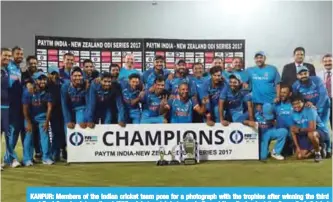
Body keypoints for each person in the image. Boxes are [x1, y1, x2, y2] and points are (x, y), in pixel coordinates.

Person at [292, 65, 331, 156]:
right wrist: (305, 103)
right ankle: (318, 147)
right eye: (301, 74)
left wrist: (316, 107)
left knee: (323, 126)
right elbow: (297, 98)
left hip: (323, 107)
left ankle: (328, 148)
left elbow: (323, 95)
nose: (303, 75)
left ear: (308, 73)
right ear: (297, 76)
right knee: (312, 129)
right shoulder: (295, 85)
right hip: (309, 109)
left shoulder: (317, 80)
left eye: (305, 73)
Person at [22, 72, 54, 166]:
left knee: (45, 136)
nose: (42, 81)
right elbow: (25, 108)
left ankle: (46, 158)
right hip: (29, 117)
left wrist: (47, 122)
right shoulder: (28, 91)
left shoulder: (47, 91)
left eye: (44, 79)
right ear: (35, 81)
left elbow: (49, 107)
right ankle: (27, 159)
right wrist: (28, 122)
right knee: (28, 136)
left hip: (42, 116)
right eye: (40, 79)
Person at [290, 93, 329, 162]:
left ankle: (318, 154)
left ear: (303, 102)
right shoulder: (292, 113)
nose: (296, 106)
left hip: (319, 132)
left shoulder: (310, 109)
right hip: (304, 133)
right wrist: (298, 148)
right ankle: (318, 148)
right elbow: (292, 130)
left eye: (298, 103)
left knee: (311, 134)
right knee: (300, 156)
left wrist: (299, 129)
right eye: (293, 104)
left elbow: (312, 128)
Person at [5, 46, 24, 168]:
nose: (20, 56)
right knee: (9, 131)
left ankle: (8, 157)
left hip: (17, 104)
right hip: (8, 104)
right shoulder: (7, 67)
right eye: (17, 54)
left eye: (21, 54)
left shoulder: (18, 69)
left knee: (15, 131)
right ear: (12, 55)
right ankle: (11, 158)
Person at [47, 66, 67, 161]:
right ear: (49, 74)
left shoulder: (62, 83)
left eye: (56, 73)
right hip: (53, 112)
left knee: (63, 132)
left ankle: (62, 151)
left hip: (63, 110)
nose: (54, 75)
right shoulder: (47, 84)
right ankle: (54, 153)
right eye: (52, 73)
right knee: (56, 132)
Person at [60, 67, 88, 131]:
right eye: (75, 76)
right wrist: (68, 121)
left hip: (81, 109)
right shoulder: (65, 86)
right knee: (68, 130)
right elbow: (64, 104)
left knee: (80, 129)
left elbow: (88, 103)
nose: (77, 78)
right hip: (69, 110)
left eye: (79, 76)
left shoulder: (86, 85)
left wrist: (86, 119)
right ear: (71, 76)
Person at [274, 84, 294, 156]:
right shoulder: (276, 104)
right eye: (281, 92)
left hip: (294, 135)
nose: (282, 94)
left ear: (290, 94)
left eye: (284, 93)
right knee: (286, 153)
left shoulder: (295, 104)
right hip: (282, 135)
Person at [1, 48, 12, 170]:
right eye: (5, 55)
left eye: (9, 56)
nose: (7, 58)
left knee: (7, 135)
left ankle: (8, 159)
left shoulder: (7, 70)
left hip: (6, 108)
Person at [317, 54, 332, 129]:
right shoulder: (318, 75)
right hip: (322, 102)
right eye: (325, 61)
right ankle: (325, 140)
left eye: (330, 61)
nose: (327, 63)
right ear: (322, 62)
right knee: (322, 124)